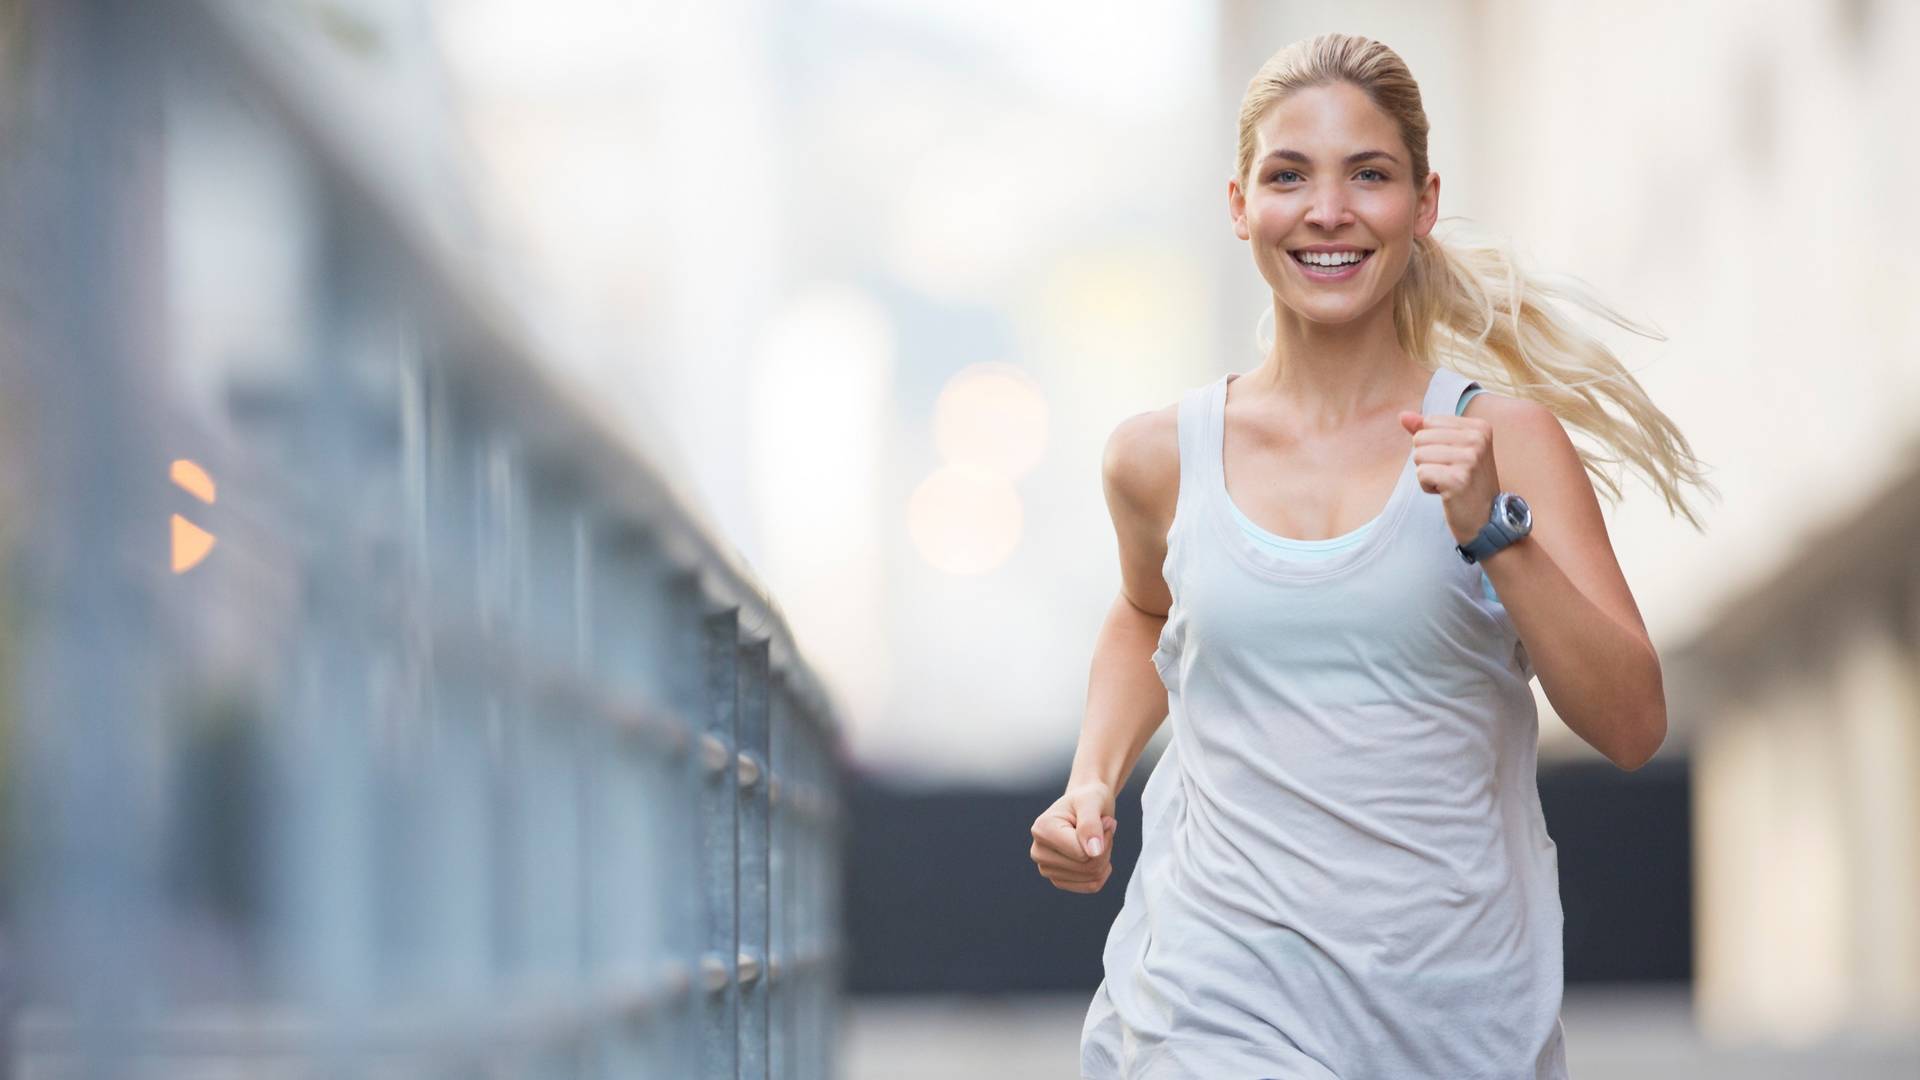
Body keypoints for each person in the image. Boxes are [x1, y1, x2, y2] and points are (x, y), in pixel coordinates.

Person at [1027, 31, 1718, 1080]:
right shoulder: (1158, 457)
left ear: (1423, 203)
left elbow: (1632, 726)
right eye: (1289, 175)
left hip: (1450, 1015)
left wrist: (1495, 533)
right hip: (1211, 1002)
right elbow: (1145, 615)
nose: (1328, 211)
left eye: (1370, 175)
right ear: (1239, 204)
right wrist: (1092, 781)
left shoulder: (1509, 442)